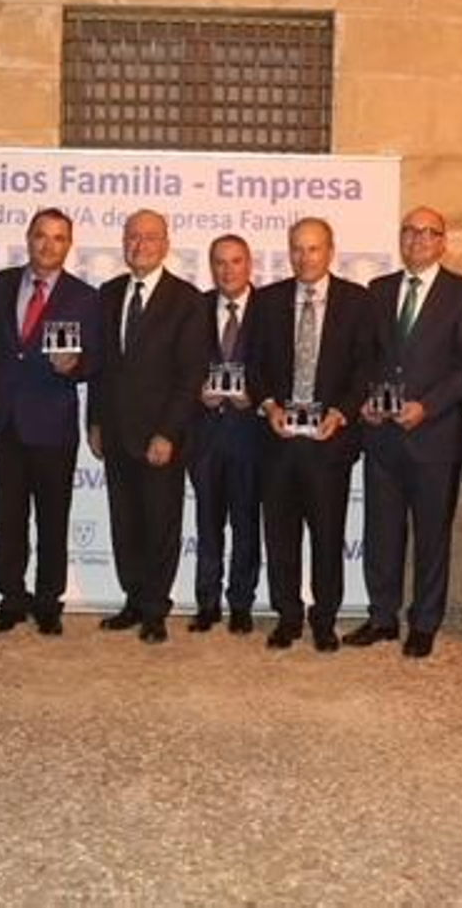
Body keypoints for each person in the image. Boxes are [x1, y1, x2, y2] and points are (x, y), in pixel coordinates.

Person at [349, 206, 462, 659]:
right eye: (409, 232)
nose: (418, 240)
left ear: (443, 241)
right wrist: (366, 399)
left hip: (435, 438)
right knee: (382, 533)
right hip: (383, 437)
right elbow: (366, 356)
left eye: (429, 233)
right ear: (400, 238)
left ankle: (424, 622)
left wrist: (428, 407)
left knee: (431, 535)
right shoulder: (379, 290)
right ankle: (382, 617)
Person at [0, 208, 101, 635]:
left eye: (59, 238)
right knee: (8, 518)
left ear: (69, 245)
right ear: (28, 238)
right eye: (41, 236)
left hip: (52, 425)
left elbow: (97, 360)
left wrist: (75, 366)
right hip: (5, 422)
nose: (48, 245)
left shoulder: (85, 297)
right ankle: (11, 597)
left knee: (52, 518)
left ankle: (48, 601)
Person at [247, 217, 376, 652]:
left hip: (329, 443)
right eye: (297, 249)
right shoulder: (266, 301)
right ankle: (287, 616)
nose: (304, 257)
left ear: (330, 250)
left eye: (313, 249)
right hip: (277, 440)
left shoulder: (358, 302)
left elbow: (365, 367)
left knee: (326, 535)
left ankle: (324, 619)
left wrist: (341, 413)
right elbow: (252, 365)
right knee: (280, 536)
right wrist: (268, 406)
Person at [88, 210, 210, 644]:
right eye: (132, 237)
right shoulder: (108, 293)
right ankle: (134, 600)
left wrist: (169, 433)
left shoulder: (187, 300)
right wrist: (95, 421)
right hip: (117, 431)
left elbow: (190, 375)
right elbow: (102, 367)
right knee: (125, 521)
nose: (139, 245)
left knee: (160, 522)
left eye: (149, 237)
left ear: (165, 244)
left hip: (161, 436)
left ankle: (156, 609)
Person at [186, 234, 262, 634]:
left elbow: (278, 366)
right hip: (205, 436)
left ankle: (242, 604)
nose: (227, 270)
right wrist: (199, 394)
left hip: (251, 436)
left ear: (249, 265)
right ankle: (207, 603)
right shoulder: (194, 308)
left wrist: (259, 397)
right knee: (208, 524)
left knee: (247, 523)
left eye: (235, 261)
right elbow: (181, 366)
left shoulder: (270, 309)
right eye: (219, 262)